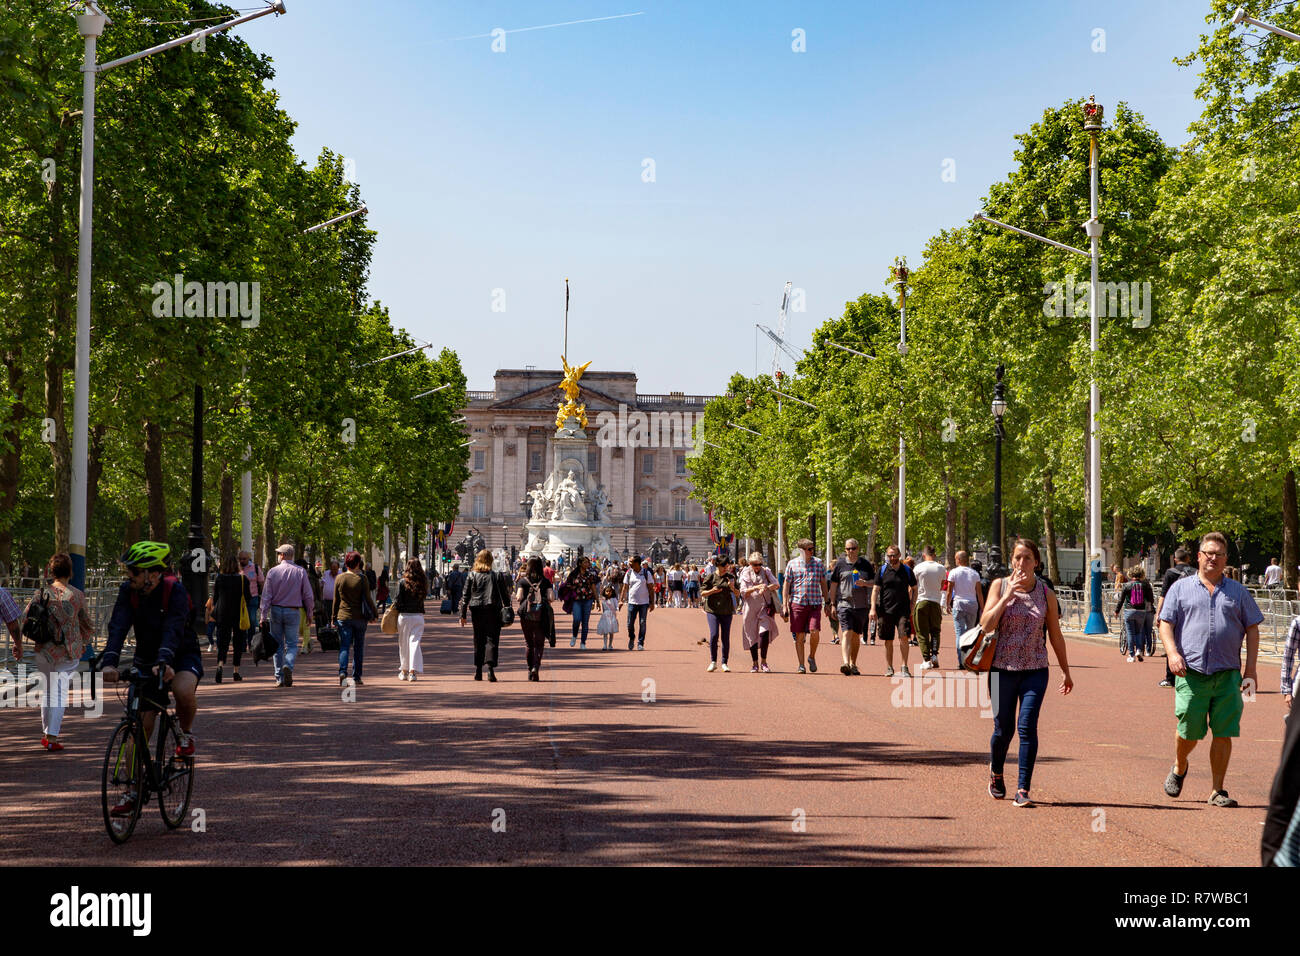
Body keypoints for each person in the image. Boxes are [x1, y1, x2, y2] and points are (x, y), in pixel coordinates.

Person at [1159, 531, 1262, 808]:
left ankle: (1217, 789)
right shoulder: (1180, 588)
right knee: (1189, 731)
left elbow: (1252, 629)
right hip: (1190, 673)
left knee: (1224, 731)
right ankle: (1180, 765)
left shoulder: (1238, 592)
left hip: (1228, 673)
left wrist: (1250, 670)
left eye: (1218, 553)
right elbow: (1165, 623)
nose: (1212, 558)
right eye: (1208, 553)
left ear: (1225, 559)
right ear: (1198, 556)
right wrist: (1172, 653)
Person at [101, 542, 202, 815]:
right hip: (146, 659)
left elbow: (174, 627)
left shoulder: (175, 591)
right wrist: (109, 661)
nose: (128, 575)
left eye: (134, 570)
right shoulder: (128, 592)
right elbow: (118, 626)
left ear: (154, 574)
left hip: (180, 653)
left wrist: (166, 660)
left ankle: (185, 734)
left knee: (182, 690)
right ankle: (132, 790)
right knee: (138, 729)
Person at [979, 538, 1074, 808]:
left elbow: (1055, 635)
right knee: (1002, 730)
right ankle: (996, 772)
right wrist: (1007, 597)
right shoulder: (999, 586)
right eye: (1018, 557)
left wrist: (1066, 671)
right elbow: (986, 625)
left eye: (1028, 558)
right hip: (1001, 669)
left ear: (1037, 562)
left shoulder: (1046, 594)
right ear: (1011, 560)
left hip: (1035, 670)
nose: (1022, 563)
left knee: (1027, 728)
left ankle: (1023, 789)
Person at [23, 553, 95, 751]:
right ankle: (52, 736)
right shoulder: (77, 596)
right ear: (70, 572)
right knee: (59, 692)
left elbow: (26, 617)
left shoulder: (41, 593)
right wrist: (83, 643)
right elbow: (88, 624)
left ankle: (47, 733)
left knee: (47, 691)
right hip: (68, 650)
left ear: (51, 571)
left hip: (44, 649)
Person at [260, 544, 315, 688]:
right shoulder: (301, 571)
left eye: (279, 553)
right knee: (292, 644)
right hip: (293, 610)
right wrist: (310, 613)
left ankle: (279, 677)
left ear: (283, 555)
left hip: (276, 610)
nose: (278, 556)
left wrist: (263, 615)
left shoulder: (273, 572)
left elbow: (266, 595)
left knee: (277, 645)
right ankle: (288, 666)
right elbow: (308, 595)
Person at [460, 548, 507, 681]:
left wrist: (462, 615)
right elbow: (505, 596)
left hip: (477, 610)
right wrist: (508, 608)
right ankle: (490, 669)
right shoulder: (497, 575)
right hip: (493, 609)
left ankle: (478, 670)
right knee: (492, 639)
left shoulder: (472, 575)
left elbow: (465, 596)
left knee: (478, 639)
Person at [828, 538, 874, 676]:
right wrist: (832, 604)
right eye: (848, 549)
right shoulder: (840, 564)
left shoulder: (865, 565)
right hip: (844, 603)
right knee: (846, 632)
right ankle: (845, 663)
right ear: (845, 550)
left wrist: (865, 583)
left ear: (858, 549)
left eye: (853, 548)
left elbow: (875, 582)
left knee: (855, 635)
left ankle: (853, 663)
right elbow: (834, 585)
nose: (851, 551)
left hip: (861, 606)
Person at [782, 539, 828, 675]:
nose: (811, 551)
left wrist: (828, 602)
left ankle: (811, 656)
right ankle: (801, 665)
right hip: (797, 603)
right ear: (802, 550)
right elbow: (786, 585)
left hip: (814, 603)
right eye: (809, 549)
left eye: (812, 548)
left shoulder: (818, 563)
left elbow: (823, 583)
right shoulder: (792, 564)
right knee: (800, 635)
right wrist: (784, 605)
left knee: (815, 632)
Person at [871, 544, 916, 678]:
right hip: (885, 610)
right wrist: (873, 608)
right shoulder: (882, 570)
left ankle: (904, 666)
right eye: (889, 555)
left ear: (899, 555)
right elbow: (875, 589)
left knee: (903, 637)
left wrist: (912, 604)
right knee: (888, 640)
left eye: (894, 555)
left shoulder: (907, 570)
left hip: (903, 610)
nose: (892, 558)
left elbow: (914, 588)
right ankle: (889, 667)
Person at [330, 551, 374, 686]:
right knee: (358, 647)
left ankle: (342, 672)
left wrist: (333, 618)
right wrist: (375, 613)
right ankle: (357, 676)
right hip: (360, 618)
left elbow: (335, 601)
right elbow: (368, 598)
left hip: (343, 616)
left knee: (344, 646)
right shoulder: (362, 579)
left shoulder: (340, 578)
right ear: (358, 563)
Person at [1155, 548, 1197, 687]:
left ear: (1175, 559)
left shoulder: (1170, 572)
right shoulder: (1195, 572)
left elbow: (1163, 594)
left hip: (1173, 611)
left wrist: (1159, 614)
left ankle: (1170, 678)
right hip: (1191, 611)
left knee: (1171, 644)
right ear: (1188, 559)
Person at [209, 554, 251, 684]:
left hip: (222, 613)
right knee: (238, 642)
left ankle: (220, 665)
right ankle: (236, 671)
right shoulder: (243, 579)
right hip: (238, 613)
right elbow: (248, 597)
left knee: (223, 641)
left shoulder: (220, 578)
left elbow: (215, 597)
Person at [516, 556, 554, 681]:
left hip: (526, 615)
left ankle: (529, 668)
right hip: (541, 615)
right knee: (539, 644)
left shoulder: (523, 581)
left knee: (529, 643)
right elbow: (551, 598)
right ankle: (536, 667)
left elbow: (518, 597)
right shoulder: (546, 581)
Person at [945, 551, 984, 669]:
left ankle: (961, 661)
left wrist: (947, 604)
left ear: (958, 559)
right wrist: (982, 608)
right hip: (972, 604)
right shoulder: (974, 574)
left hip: (959, 604)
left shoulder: (953, 572)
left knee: (959, 633)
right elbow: (979, 593)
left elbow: (949, 590)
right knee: (971, 633)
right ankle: (969, 659)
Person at [701, 555, 740, 672]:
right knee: (714, 635)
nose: (726, 567)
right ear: (717, 565)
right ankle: (713, 661)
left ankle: (724, 662)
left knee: (725, 636)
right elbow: (702, 593)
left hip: (727, 611)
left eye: (727, 565)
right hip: (712, 610)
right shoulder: (711, 577)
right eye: (723, 565)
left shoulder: (731, 577)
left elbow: (738, 594)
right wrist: (712, 591)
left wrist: (732, 588)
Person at [912, 546, 947, 671]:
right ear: (935, 554)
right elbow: (942, 585)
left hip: (921, 601)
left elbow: (913, 586)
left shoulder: (918, 568)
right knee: (935, 630)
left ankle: (926, 659)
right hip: (935, 602)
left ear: (923, 554)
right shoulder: (941, 568)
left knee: (922, 633)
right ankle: (934, 655)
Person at [394, 558, 427, 681]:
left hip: (405, 616)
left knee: (403, 645)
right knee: (415, 644)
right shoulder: (422, 582)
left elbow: (397, 601)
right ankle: (412, 672)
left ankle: (404, 671)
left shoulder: (402, 582)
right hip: (418, 616)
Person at [1113, 564, 1154, 663]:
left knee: (1130, 632)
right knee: (1139, 632)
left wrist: (1116, 611)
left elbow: (1121, 600)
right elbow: (1151, 599)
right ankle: (1139, 650)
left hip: (1129, 611)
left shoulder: (1127, 585)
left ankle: (1131, 655)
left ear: (1131, 574)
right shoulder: (1146, 585)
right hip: (1141, 611)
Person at [563, 556, 600, 649]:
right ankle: (574, 636)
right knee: (576, 619)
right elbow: (567, 585)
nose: (587, 564)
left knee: (585, 622)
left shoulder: (590, 575)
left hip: (588, 599)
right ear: (580, 563)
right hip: (577, 600)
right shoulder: (573, 574)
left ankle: (583, 642)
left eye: (588, 562)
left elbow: (593, 588)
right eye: (585, 562)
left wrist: (597, 600)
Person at [621, 556, 654, 650]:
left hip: (644, 603)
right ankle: (632, 637)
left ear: (637, 563)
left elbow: (651, 589)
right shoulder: (629, 573)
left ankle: (640, 643)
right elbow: (625, 587)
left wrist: (652, 603)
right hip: (632, 602)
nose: (629, 563)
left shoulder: (646, 573)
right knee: (629, 624)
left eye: (631, 562)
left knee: (642, 623)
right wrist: (621, 600)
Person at [238, 549, 264, 651]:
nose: (242, 561)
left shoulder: (255, 568)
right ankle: (242, 644)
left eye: (244, 559)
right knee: (241, 622)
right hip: (239, 600)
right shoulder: (236, 568)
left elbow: (261, 582)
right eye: (240, 559)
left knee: (252, 622)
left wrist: (262, 596)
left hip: (253, 598)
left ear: (248, 558)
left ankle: (251, 644)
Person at [596, 582, 620, 650]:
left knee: (611, 632)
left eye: (610, 591)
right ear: (604, 592)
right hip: (605, 617)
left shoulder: (614, 599)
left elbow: (616, 607)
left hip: (612, 616)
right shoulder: (603, 600)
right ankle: (604, 645)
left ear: (612, 592)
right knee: (605, 632)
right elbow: (603, 609)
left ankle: (610, 645)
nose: (608, 592)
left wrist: (618, 608)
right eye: (607, 591)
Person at [319, 558, 339, 629]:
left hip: (337, 601)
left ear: (338, 568)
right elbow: (321, 585)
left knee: (336, 617)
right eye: (332, 569)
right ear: (330, 568)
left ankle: (336, 629)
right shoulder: (326, 573)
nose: (334, 571)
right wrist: (321, 597)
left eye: (335, 569)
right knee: (327, 616)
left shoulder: (341, 574)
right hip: (327, 600)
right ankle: (329, 629)